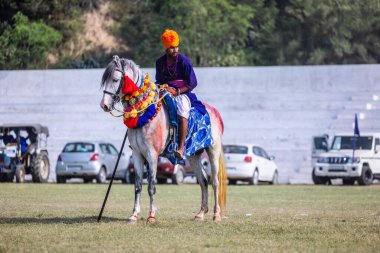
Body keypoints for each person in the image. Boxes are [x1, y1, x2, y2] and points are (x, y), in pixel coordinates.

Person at [155, 29, 206, 159]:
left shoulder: (184, 61)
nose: (175, 50)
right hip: (164, 92)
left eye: (176, 47)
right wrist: (162, 88)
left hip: (182, 94)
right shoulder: (159, 62)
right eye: (172, 48)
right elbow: (159, 80)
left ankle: (181, 148)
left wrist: (177, 91)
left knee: (183, 110)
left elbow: (193, 82)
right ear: (166, 48)